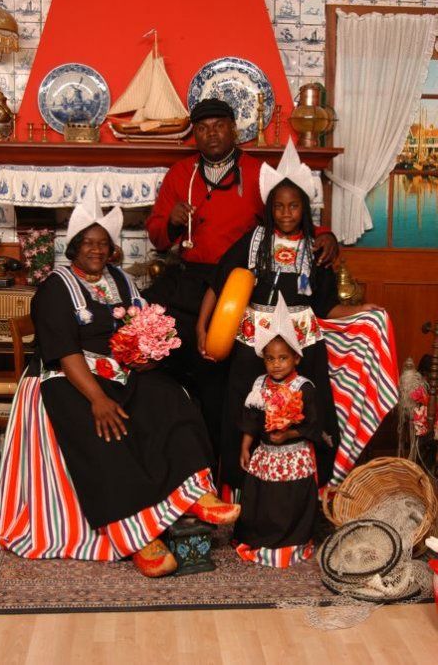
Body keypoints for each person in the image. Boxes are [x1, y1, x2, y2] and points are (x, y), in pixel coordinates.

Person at [0, 185, 240, 578]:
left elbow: (141, 325)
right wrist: (96, 399)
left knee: (171, 397)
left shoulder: (120, 280)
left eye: (103, 244)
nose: (95, 250)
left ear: (112, 249)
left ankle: (194, 493)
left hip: (118, 370)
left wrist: (145, 353)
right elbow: (63, 351)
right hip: (67, 378)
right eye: (87, 243)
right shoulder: (55, 288)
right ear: (73, 247)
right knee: (104, 429)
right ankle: (139, 537)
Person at [143, 98, 338, 453]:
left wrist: (325, 234)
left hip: (238, 286)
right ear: (194, 135)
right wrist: (169, 220)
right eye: (202, 128)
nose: (211, 133)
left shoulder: (257, 170)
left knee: (223, 381)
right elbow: (156, 237)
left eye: (219, 125)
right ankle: (179, 458)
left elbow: (288, 215)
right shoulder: (179, 174)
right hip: (192, 282)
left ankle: (226, 463)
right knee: (162, 359)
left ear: (234, 129)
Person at [197, 139, 380, 491]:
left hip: (303, 342)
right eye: (278, 206)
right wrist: (202, 328)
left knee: (313, 407)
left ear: (304, 207)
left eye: (293, 206)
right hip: (253, 340)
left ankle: (314, 489)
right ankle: (238, 492)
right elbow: (218, 284)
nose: (285, 213)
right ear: (269, 208)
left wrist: (360, 311)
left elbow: (326, 306)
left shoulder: (317, 248)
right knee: (243, 407)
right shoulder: (254, 240)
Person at [234, 296, 321, 568]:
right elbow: (251, 417)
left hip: (293, 456)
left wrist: (289, 435)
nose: (276, 364)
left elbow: (313, 426)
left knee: (289, 501)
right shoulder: (260, 383)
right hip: (266, 455)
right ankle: (262, 539)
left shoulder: (304, 387)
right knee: (263, 499)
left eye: (283, 358)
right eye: (270, 358)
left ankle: (291, 540)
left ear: (296, 357)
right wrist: (246, 446)